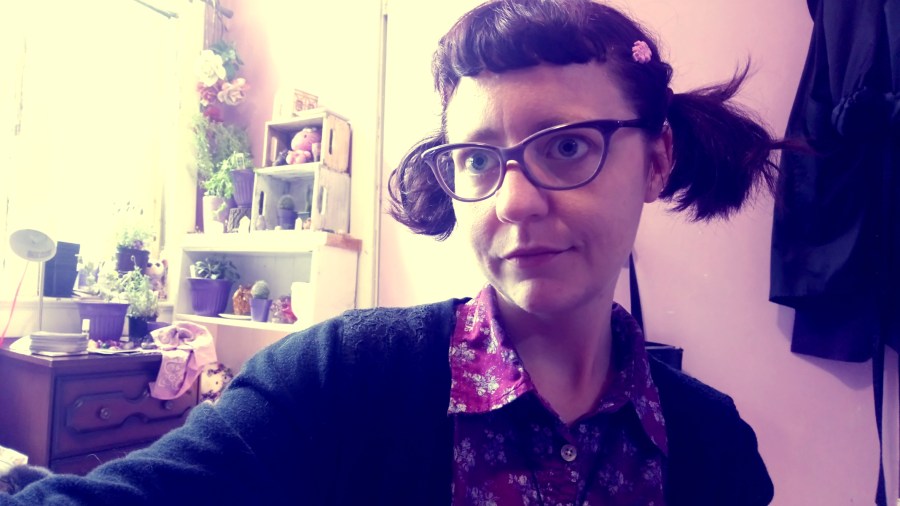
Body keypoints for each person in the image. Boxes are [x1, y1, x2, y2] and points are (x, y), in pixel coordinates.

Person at [1, 0, 784, 504]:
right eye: (477, 159)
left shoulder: (714, 449)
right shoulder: (342, 380)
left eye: (568, 145)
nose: (512, 201)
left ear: (656, 159)